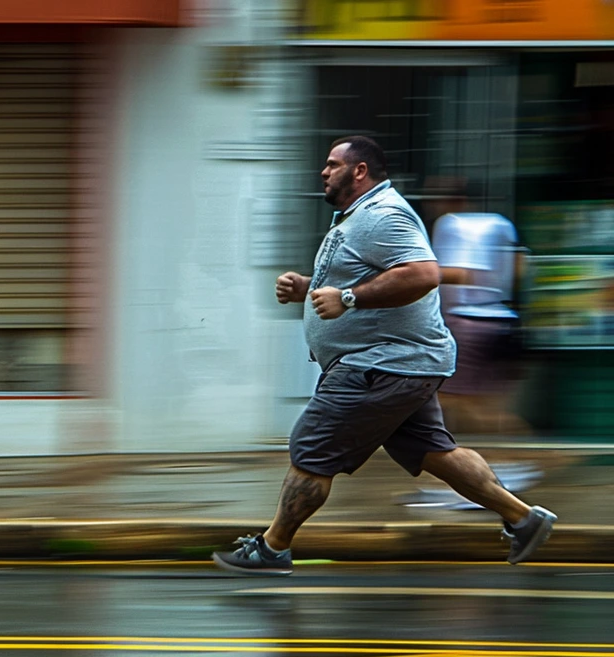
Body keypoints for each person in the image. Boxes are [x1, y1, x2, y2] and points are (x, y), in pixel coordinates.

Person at [212, 136, 557, 576]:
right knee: (436, 453)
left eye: (333, 164)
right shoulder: (358, 217)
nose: (324, 171)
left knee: (312, 450)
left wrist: (349, 299)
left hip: (380, 365)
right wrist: (308, 287)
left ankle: (272, 547)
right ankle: (524, 519)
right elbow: (359, 275)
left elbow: (423, 274)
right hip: (400, 365)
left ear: (359, 171)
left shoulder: (383, 215)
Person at [400, 177, 542, 509]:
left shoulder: (453, 226)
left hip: (470, 322)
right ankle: (505, 469)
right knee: (477, 405)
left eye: (436, 198)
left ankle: (478, 478)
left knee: (449, 402)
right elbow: (522, 266)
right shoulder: (498, 224)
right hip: (499, 319)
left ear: (452, 200)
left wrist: (414, 273)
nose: (432, 205)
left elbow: (464, 274)